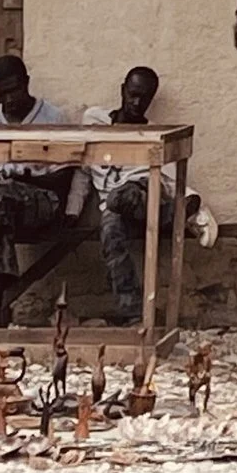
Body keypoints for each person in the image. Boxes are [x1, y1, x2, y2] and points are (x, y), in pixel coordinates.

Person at [0, 56, 81, 324]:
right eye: (2, 93)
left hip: (44, 202)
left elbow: (62, 180)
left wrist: (21, 176)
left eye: (14, 89)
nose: (9, 99)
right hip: (0, 209)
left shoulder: (53, 118)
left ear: (27, 83)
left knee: (1, 197)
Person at [82, 67, 168, 327]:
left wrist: (193, 203)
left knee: (126, 193)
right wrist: (71, 211)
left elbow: (172, 179)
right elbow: (82, 168)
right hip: (113, 207)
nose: (136, 103)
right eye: (132, 95)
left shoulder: (155, 134)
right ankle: (131, 309)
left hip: (144, 196)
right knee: (110, 223)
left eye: (144, 98)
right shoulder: (94, 121)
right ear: (122, 90)